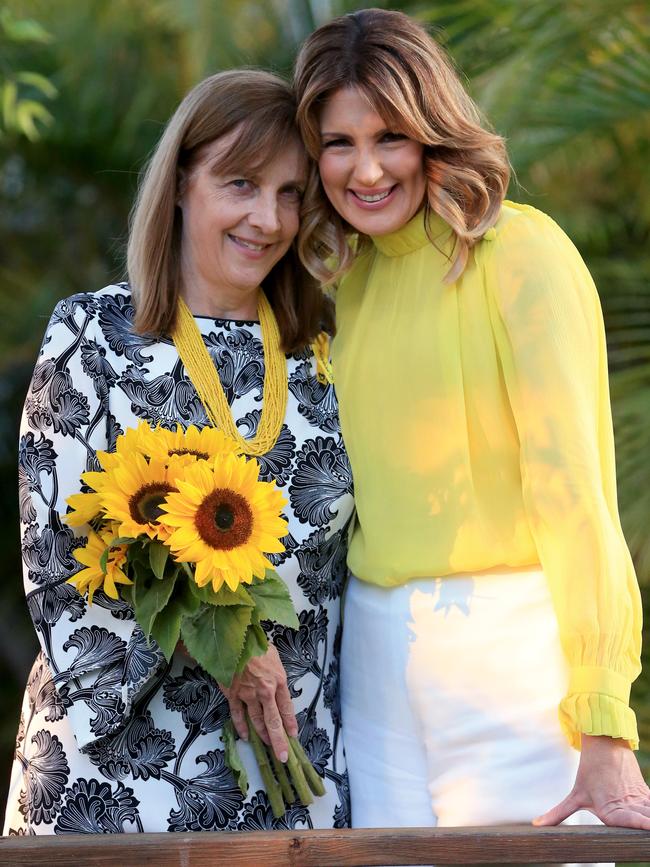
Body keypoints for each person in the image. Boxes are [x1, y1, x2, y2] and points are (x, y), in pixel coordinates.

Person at [293, 7, 650, 839]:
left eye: (390, 136)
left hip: (507, 653)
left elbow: (575, 490)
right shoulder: (350, 282)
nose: (367, 168)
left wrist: (603, 719)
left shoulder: (520, 254)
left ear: (433, 133)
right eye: (338, 142)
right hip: (374, 660)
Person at [4, 69, 353, 834]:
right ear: (181, 184)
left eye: (292, 193)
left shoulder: (325, 354)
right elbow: (58, 558)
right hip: (117, 781)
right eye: (241, 184)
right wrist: (225, 640)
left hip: (292, 774)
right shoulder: (91, 336)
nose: (268, 218)